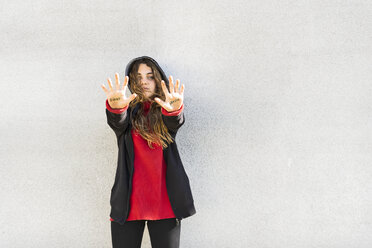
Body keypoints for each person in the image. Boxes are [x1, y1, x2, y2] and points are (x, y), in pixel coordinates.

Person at [100, 56, 196, 248]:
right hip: (128, 206)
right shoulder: (128, 114)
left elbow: (174, 121)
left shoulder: (165, 110)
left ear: (159, 79)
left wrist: (175, 110)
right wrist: (117, 109)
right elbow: (118, 121)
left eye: (149, 76)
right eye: (138, 77)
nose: (143, 81)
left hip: (165, 205)